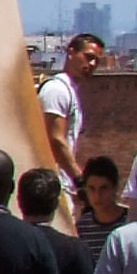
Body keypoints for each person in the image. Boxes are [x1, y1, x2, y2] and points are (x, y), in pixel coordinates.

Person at [37, 30, 105, 184]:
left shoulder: (70, 90)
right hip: (53, 183)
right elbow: (55, 139)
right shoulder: (57, 89)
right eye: (88, 57)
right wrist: (78, 179)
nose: (92, 64)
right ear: (71, 53)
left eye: (97, 61)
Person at [70, 156, 128, 272]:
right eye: (92, 189)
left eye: (104, 188)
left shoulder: (131, 220)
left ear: (115, 188)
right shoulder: (81, 227)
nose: (97, 195)